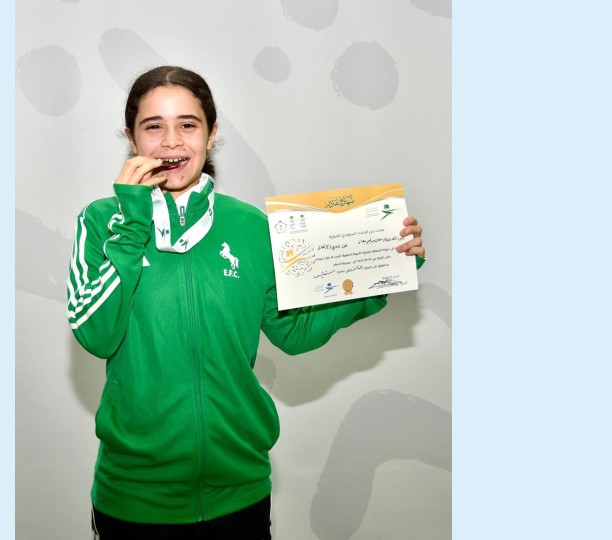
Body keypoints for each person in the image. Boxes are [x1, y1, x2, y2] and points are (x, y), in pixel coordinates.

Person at [66, 65, 425, 540]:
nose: (171, 141)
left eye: (188, 124)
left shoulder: (252, 226)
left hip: (240, 494)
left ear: (211, 134)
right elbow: (96, 334)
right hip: (134, 500)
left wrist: (381, 269)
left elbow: (293, 331)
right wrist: (132, 223)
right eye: (153, 126)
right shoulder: (101, 221)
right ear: (132, 139)